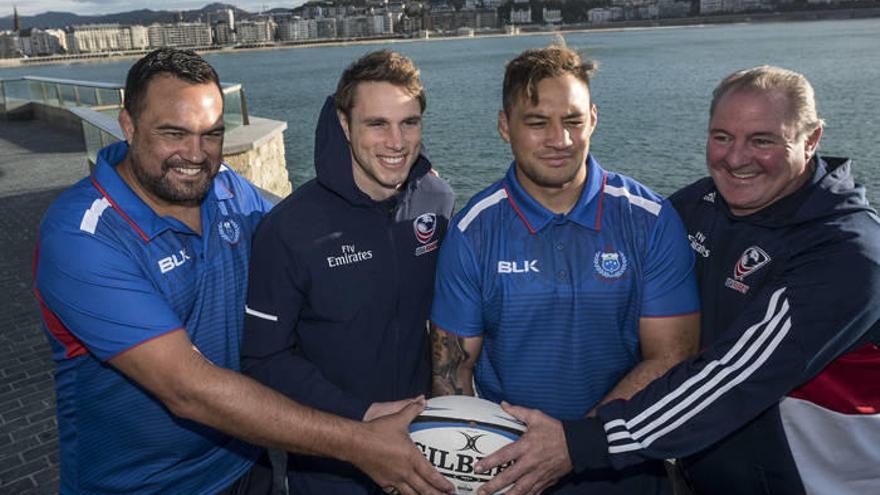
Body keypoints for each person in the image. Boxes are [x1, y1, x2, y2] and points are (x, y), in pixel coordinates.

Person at [33, 47, 453, 495]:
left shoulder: (226, 190)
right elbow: (187, 389)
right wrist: (360, 440)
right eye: (173, 133)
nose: (195, 154)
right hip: (141, 486)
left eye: (211, 134)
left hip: (247, 466)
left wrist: (401, 209)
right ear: (128, 125)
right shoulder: (83, 236)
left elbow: (312, 230)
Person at [474, 65, 880, 495]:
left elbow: (734, 375)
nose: (736, 158)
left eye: (762, 140)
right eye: (722, 137)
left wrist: (581, 442)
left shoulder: (847, 255)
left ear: (811, 139)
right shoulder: (697, 207)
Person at [429, 43, 701, 494]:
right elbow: (451, 372)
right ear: (504, 127)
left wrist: (573, 445)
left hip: (626, 468)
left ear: (593, 118)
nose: (560, 140)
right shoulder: (473, 231)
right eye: (537, 123)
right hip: (511, 473)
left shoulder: (650, 219)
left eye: (573, 121)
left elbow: (672, 356)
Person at [240, 49, 454, 494]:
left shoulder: (437, 200)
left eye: (409, 123)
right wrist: (362, 414)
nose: (396, 142)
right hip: (328, 465)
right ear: (344, 124)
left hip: (421, 448)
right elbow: (262, 359)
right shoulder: (288, 229)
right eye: (376, 123)